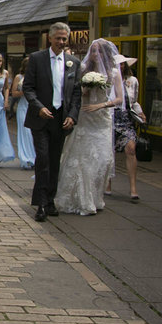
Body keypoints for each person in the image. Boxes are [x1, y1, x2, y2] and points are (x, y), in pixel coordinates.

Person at [54, 38, 123, 216]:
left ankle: (96, 195)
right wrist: (85, 90)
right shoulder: (84, 70)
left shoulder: (114, 72)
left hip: (101, 119)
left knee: (103, 159)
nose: (95, 54)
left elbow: (119, 99)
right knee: (83, 158)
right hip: (85, 117)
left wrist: (101, 105)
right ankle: (82, 198)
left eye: (99, 51)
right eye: (93, 51)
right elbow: (75, 92)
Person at [22, 22, 82, 222]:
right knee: (44, 158)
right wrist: (38, 107)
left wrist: (72, 116)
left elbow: (76, 93)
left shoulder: (73, 62)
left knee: (55, 161)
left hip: (60, 119)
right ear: (50, 38)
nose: (62, 42)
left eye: (64, 39)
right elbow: (28, 88)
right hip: (41, 118)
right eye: (58, 38)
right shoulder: (37, 59)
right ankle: (40, 204)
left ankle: (50, 200)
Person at [109, 54, 144, 201]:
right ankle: (107, 184)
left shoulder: (132, 81)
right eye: (118, 64)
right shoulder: (108, 79)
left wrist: (140, 112)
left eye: (122, 64)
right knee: (108, 152)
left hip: (125, 118)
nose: (120, 66)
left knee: (131, 148)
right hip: (110, 117)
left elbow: (134, 100)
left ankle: (133, 188)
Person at [11, 56, 35, 170]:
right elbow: (14, 93)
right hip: (22, 106)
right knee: (24, 132)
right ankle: (26, 158)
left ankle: (34, 157)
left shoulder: (36, 76)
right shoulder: (18, 77)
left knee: (32, 134)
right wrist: (23, 92)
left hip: (33, 106)